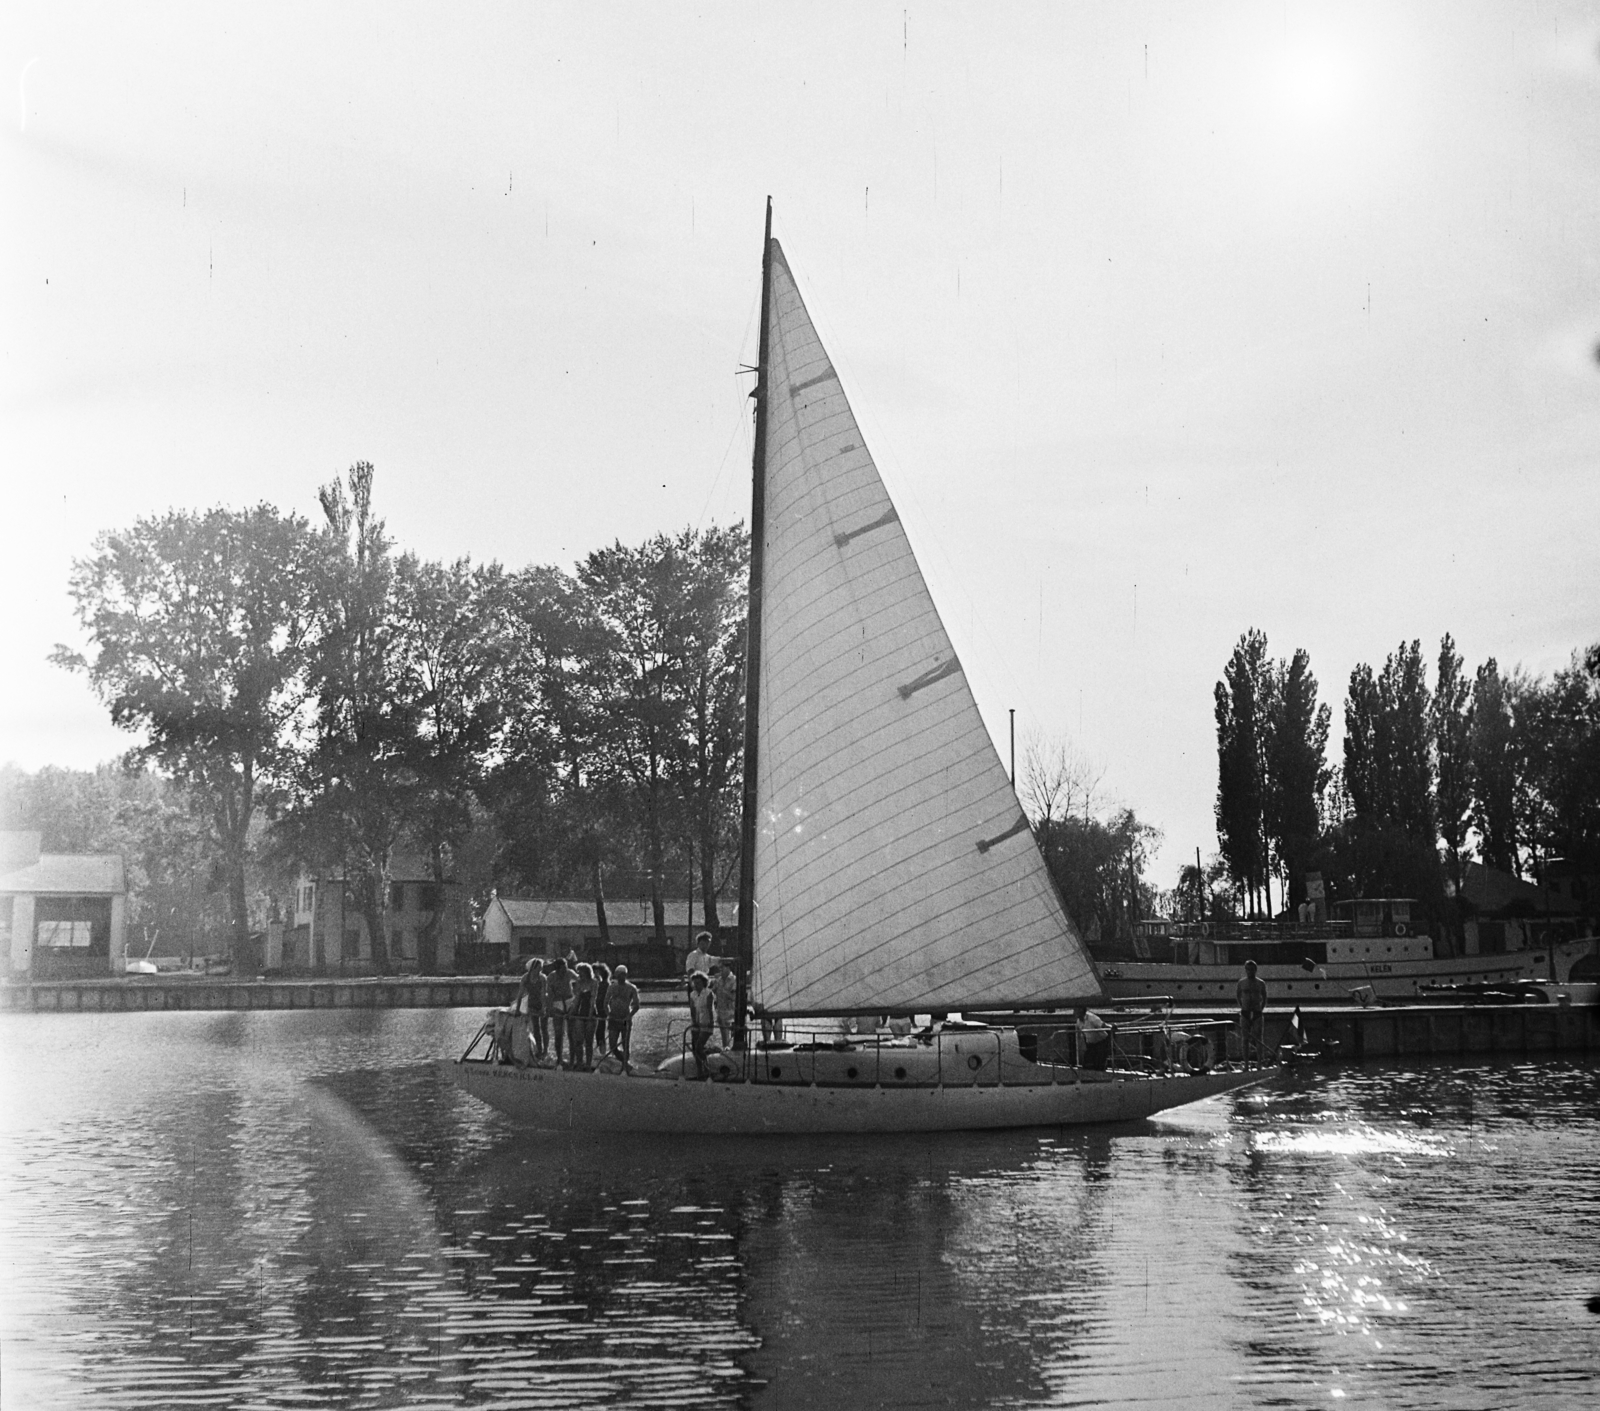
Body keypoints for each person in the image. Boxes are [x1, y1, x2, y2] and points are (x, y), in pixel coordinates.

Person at [607, 963, 641, 1071]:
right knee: (612, 1045)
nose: (621, 976)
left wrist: (629, 1016)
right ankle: (623, 1061)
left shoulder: (631, 988)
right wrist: (609, 1014)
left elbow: (636, 1005)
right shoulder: (612, 987)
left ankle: (625, 1065)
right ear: (616, 975)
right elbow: (605, 1003)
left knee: (625, 1044)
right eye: (619, 974)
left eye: (623, 974)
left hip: (625, 1019)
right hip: (614, 1018)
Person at [513, 957, 548, 1059]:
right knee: (535, 1028)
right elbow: (520, 994)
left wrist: (543, 1008)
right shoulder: (525, 978)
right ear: (533, 968)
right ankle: (538, 1050)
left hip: (541, 1002)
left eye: (541, 968)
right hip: (531, 1003)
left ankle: (545, 1051)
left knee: (544, 1028)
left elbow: (543, 994)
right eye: (538, 968)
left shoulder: (542, 978)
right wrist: (517, 1009)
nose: (540, 970)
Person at [1237, 959, 1268, 1067]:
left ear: (1255, 970)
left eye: (1252, 969)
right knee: (1245, 1039)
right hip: (1245, 1012)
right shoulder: (1241, 983)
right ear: (1245, 970)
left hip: (1257, 1012)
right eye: (1248, 969)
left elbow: (1264, 997)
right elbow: (1238, 996)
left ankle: (1259, 1063)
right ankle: (1246, 1064)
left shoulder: (1260, 983)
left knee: (1258, 1038)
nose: (1250, 971)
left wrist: (1260, 1008)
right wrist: (1243, 1006)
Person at [545, 956, 575, 1067]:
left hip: (569, 1002)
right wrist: (549, 1008)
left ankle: (572, 1059)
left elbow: (580, 980)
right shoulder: (551, 977)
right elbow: (549, 993)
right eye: (562, 968)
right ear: (557, 968)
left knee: (571, 1034)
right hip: (557, 1003)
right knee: (558, 1033)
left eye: (566, 967)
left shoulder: (570, 973)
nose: (564, 970)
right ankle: (559, 1059)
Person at [687, 971, 716, 1077]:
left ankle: (707, 1068)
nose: (696, 985)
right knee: (695, 1049)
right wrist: (694, 1021)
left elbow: (709, 1009)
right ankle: (699, 1070)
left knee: (699, 1046)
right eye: (695, 983)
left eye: (698, 983)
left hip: (706, 1021)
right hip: (696, 1022)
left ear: (703, 983)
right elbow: (693, 1009)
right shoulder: (692, 994)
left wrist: (711, 1022)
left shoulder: (708, 993)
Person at [572, 962, 596, 1069]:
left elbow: (593, 999)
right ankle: (580, 1062)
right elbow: (576, 999)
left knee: (589, 1041)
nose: (579, 974)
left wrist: (590, 1013)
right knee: (578, 1040)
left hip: (590, 1012)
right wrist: (572, 1012)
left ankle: (588, 1063)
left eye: (581, 972)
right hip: (580, 1012)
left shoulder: (593, 982)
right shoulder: (579, 983)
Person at [711, 962, 738, 1049]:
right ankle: (725, 1048)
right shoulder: (718, 980)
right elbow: (712, 992)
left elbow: (734, 997)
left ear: (728, 968)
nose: (720, 970)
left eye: (722, 968)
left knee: (734, 1036)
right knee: (724, 1037)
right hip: (721, 1012)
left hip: (731, 1012)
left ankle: (733, 1049)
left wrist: (724, 992)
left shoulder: (734, 980)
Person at [1075, 1005, 1111, 1070]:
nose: (1074, 1013)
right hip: (1090, 1044)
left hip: (1101, 1042)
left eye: (1075, 1010)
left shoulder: (1091, 1018)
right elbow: (1083, 1034)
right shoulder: (1078, 1021)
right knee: (1087, 1062)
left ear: (1081, 1010)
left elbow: (1103, 1025)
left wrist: (1112, 1027)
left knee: (1099, 1063)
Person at [592, 962, 611, 1059]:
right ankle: (596, 1052)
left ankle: (602, 1053)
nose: (596, 974)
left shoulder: (606, 984)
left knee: (600, 1031)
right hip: (593, 1010)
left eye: (598, 972)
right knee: (594, 1032)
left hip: (601, 1010)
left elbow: (606, 998)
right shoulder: (593, 983)